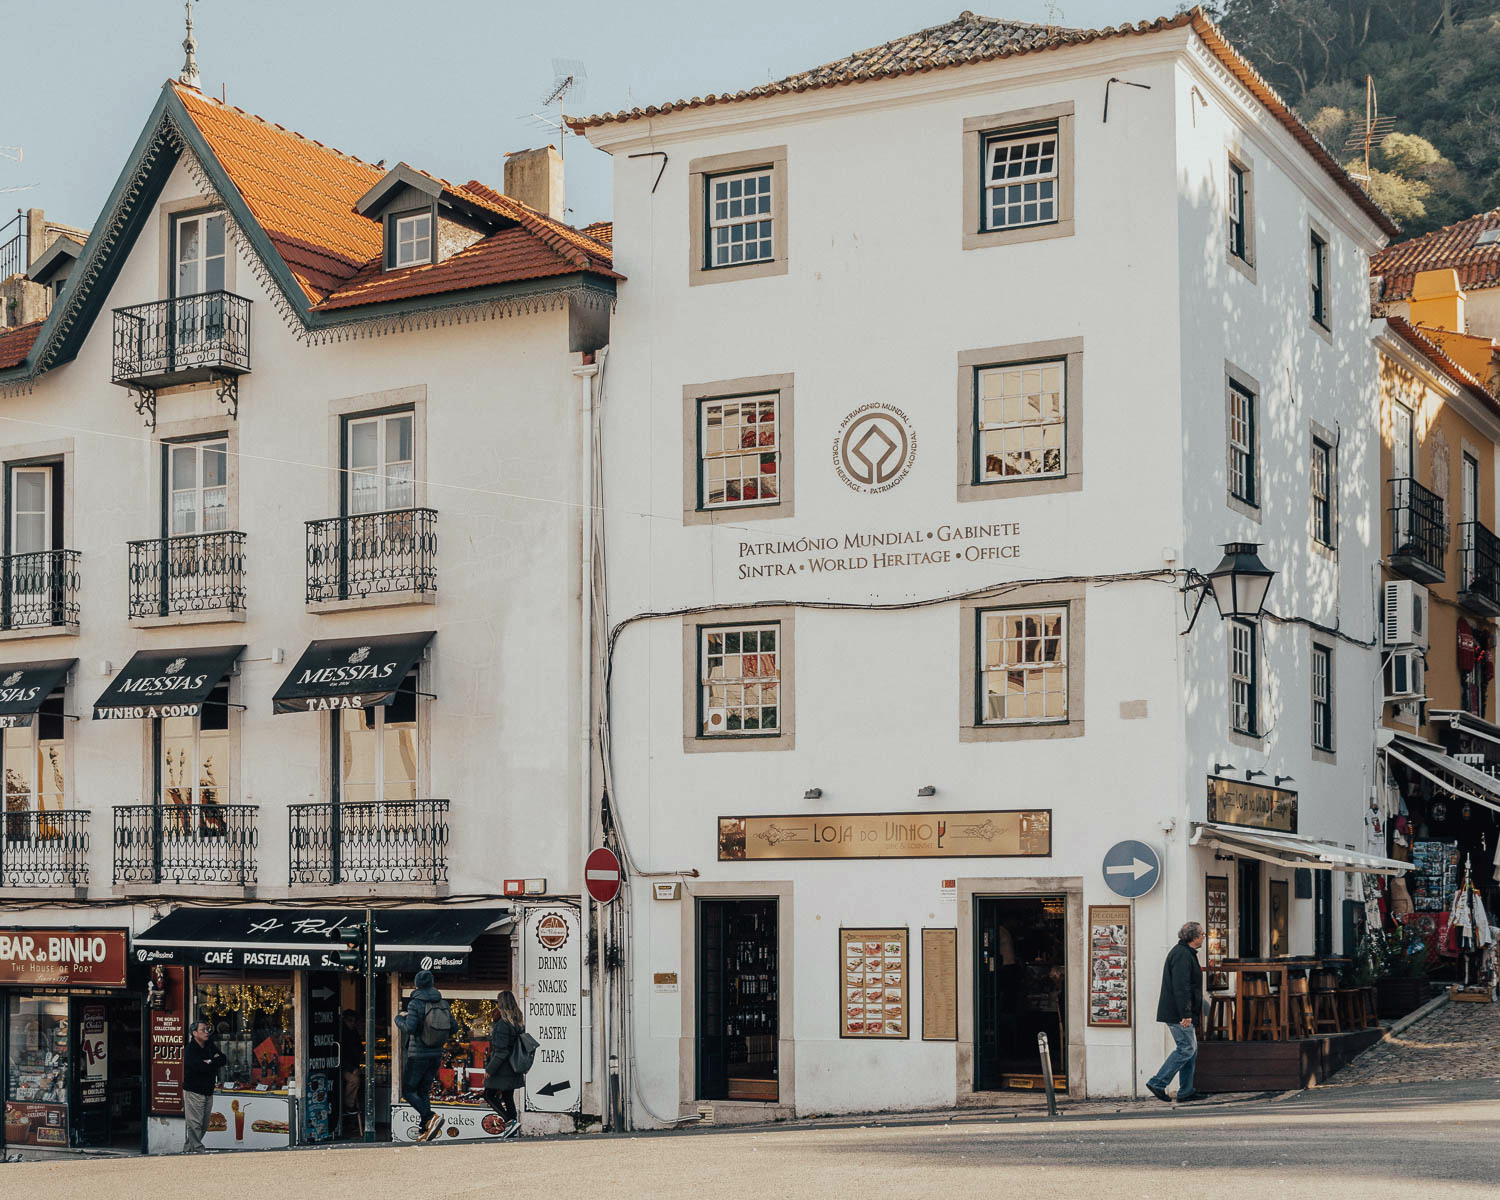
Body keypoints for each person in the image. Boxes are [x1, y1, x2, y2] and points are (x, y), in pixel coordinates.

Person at [1147, 921, 1205, 1104]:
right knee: (1186, 1048)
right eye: (1202, 934)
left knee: (1191, 1050)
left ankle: (1186, 1090)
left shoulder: (1186, 953)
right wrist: (1186, 1014)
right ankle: (1158, 1081)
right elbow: (1181, 987)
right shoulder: (1182, 955)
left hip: (1180, 1011)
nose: (1204, 936)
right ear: (1194, 937)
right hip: (1178, 1013)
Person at [395, 969, 448, 1142]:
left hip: (418, 1054)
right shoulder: (443, 1003)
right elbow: (453, 1027)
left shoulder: (415, 1003)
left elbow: (410, 1028)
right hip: (436, 1054)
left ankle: (430, 1116)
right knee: (423, 1091)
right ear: (432, 984)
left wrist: (399, 1019)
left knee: (408, 1091)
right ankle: (424, 1129)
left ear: (417, 985)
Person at [483, 990, 526, 1139]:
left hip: (502, 1068)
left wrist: (490, 1069)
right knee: (508, 1097)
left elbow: (501, 1051)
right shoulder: (517, 1022)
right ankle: (512, 1127)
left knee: (488, 1094)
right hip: (514, 1067)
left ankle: (509, 1122)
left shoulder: (502, 1024)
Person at [182, 1019, 227, 1153]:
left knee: (204, 1124)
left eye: (207, 1029)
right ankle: (198, 1149)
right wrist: (211, 1062)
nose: (206, 1032)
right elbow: (198, 1067)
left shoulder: (209, 1045)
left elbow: (223, 1059)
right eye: (203, 1030)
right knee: (194, 1123)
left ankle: (188, 1150)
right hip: (194, 1090)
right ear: (195, 1033)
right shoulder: (190, 1049)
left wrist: (210, 1062)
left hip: (208, 1090)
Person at [340, 1009, 364, 1138]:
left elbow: (360, 1048)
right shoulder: (342, 1033)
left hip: (353, 1065)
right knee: (354, 1080)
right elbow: (341, 1055)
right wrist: (351, 1068)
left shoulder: (353, 1032)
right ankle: (348, 1106)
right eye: (352, 1021)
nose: (354, 1024)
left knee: (360, 1082)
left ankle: (353, 1115)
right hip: (344, 1067)